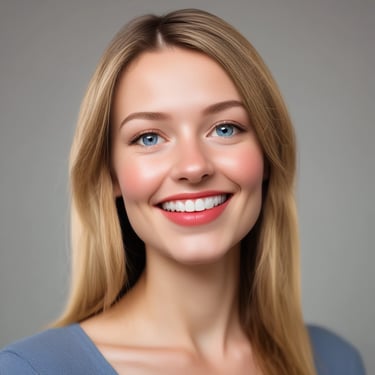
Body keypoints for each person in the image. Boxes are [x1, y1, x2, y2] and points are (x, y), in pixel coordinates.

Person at [0, 8, 366, 375]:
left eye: (224, 129)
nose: (193, 167)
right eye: (149, 137)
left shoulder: (336, 362)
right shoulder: (34, 369)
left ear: (268, 155)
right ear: (111, 175)